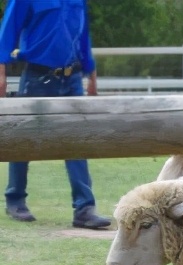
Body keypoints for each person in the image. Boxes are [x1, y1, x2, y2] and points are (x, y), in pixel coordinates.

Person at [0, 0, 110, 228]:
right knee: (24, 137)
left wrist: (91, 73)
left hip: (72, 79)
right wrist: (1, 73)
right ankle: (15, 199)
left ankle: (84, 208)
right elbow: (8, 30)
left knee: (77, 141)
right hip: (37, 76)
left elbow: (83, 35)